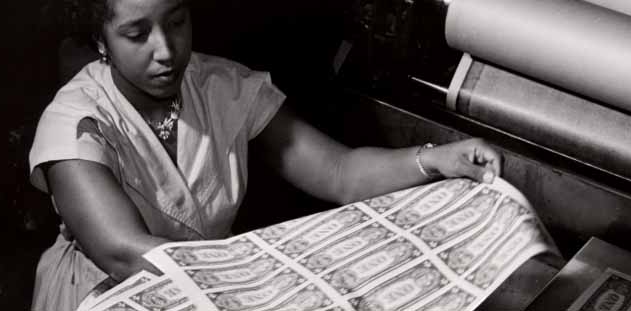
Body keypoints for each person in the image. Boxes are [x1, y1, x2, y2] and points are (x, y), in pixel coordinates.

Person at [28, 0, 503, 310]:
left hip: (213, 284)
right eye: (137, 34)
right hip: (107, 292)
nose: (166, 50)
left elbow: (339, 172)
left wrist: (434, 159)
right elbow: (121, 251)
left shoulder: (221, 86)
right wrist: (257, 281)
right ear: (101, 43)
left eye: (176, 22)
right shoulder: (76, 118)